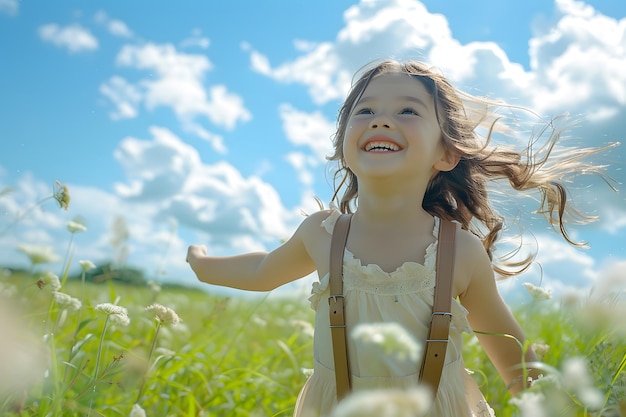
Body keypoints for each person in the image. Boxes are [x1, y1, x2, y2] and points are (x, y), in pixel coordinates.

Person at [186, 60, 616, 417]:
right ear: (344, 147)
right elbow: (263, 270)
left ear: (447, 154)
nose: (382, 118)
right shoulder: (323, 233)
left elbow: (515, 363)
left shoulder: (459, 252)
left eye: (408, 111)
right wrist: (203, 263)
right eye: (365, 111)